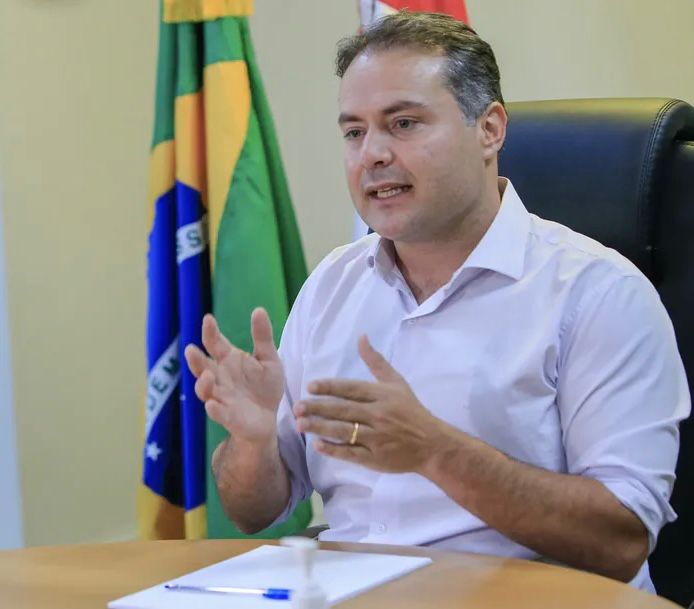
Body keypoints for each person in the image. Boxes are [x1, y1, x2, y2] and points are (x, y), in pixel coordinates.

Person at [184, 11, 690, 592]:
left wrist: (433, 450)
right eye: (354, 132)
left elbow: (620, 542)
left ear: (489, 129)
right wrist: (253, 444)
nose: (372, 154)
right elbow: (252, 512)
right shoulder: (332, 285)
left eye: (403, 123)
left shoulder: (599, 293)